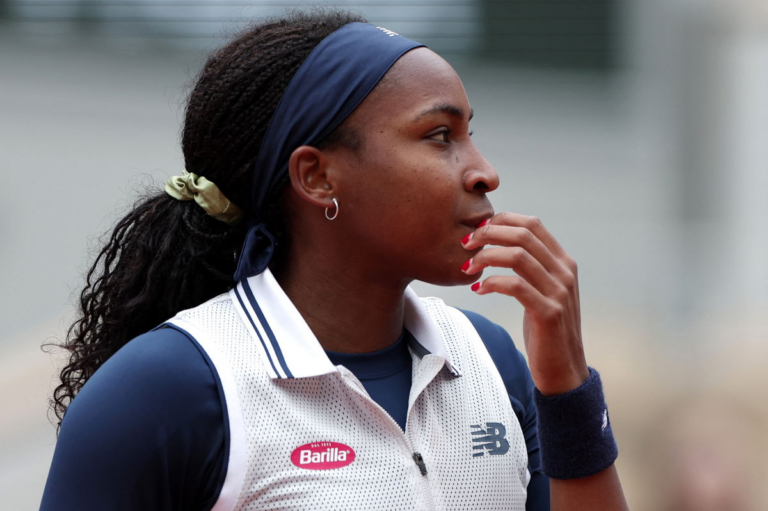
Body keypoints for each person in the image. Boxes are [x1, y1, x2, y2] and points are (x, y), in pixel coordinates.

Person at [41, 9, 629, 511]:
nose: (483, 171)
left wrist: (567, 388)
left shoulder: (491, 361)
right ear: (317, 176)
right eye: (438, 135)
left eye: (469, 133)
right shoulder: (164, 389)